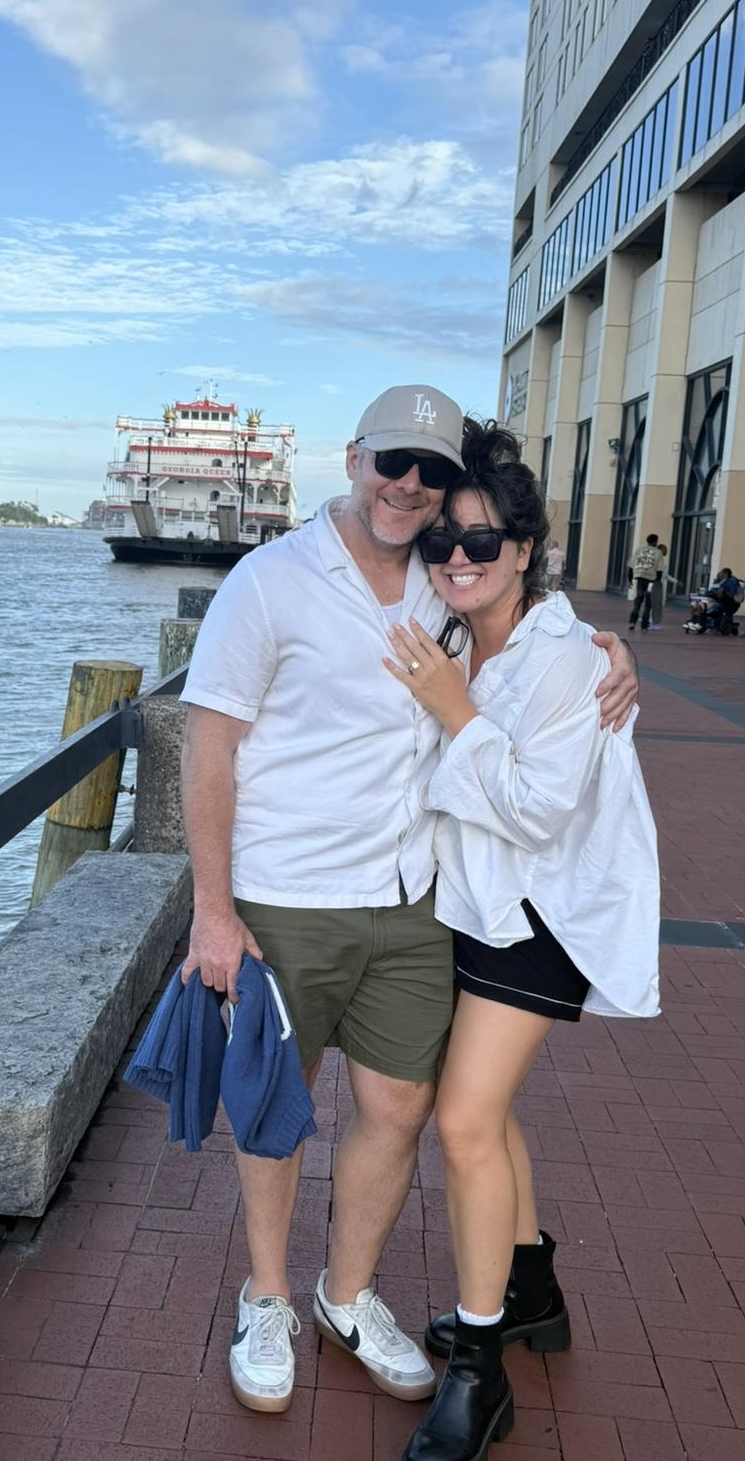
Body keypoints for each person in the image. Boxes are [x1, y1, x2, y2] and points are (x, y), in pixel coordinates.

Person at [179, 386, 640, 1416]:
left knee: (398, 1110)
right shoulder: (269, 583)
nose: (411, 486)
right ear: (354, 459)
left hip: (416, 899)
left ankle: (346, 1295)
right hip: (287, 896)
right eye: (395, 461)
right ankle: (267, 1298)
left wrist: (612, 652)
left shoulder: (444, 581)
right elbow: (207, 751)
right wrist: (212, 910)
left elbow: (526, 620)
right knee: (275, 1108)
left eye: (432, 471)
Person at [381, 423, 660, 1461]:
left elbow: (539, 813)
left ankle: (478, 1369)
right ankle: (531, 1289)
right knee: (487, 1113)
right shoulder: (452, 630)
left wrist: (457, 714)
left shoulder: (566, 660)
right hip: (470, 901)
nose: (459, 557)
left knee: (460, 1122)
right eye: (443, 540)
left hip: (541, 912)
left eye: (483, 541)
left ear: (526, 549)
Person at [627, 534, 662, 629]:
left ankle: (632, 621)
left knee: (638, 600)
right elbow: (659, 570)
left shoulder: (639, 550)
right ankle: (644, 623)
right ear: (655, 542)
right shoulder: (658, 553)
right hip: (651, 579)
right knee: (648, 602)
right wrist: (657, 582)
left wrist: (630, 579)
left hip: (640, 578)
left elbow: (631, 565)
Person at [649, 542, 668, 629]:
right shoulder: (658, 559)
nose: (666, 551)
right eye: (664, 550)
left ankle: (653, 621)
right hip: (656, 582)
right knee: (656, 602)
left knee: (654, 602)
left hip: (654, 582)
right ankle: (654, 622)